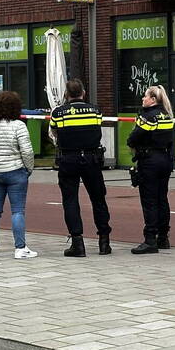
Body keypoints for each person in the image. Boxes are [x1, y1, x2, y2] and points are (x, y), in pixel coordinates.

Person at [50, 79, 111, 257]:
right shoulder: (95, 110)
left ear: (66, 95)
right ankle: (104, 242)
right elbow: (97, 127)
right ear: (83, 93)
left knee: (70, 200)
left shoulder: (59, 113)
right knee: (98, 199)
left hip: (69, 158)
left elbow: (54, 132)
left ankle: (78, 243)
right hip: (92, 158)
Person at [0, 91, 37, 259]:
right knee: (17, 210)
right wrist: (28, 169)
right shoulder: (19, 126)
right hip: (15, 171)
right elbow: (27, 151)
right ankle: (20, 248)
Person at [127, 85, 175, 254]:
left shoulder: (146, 116)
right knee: (162, 198)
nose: (142, 99)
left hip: (149, 161)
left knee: (149, 200)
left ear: (153, 100)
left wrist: (133, 144)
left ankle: (150, 240)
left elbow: (133, 138)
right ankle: (163, 237)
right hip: (165, 160)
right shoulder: (166, 115)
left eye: (145, 96)